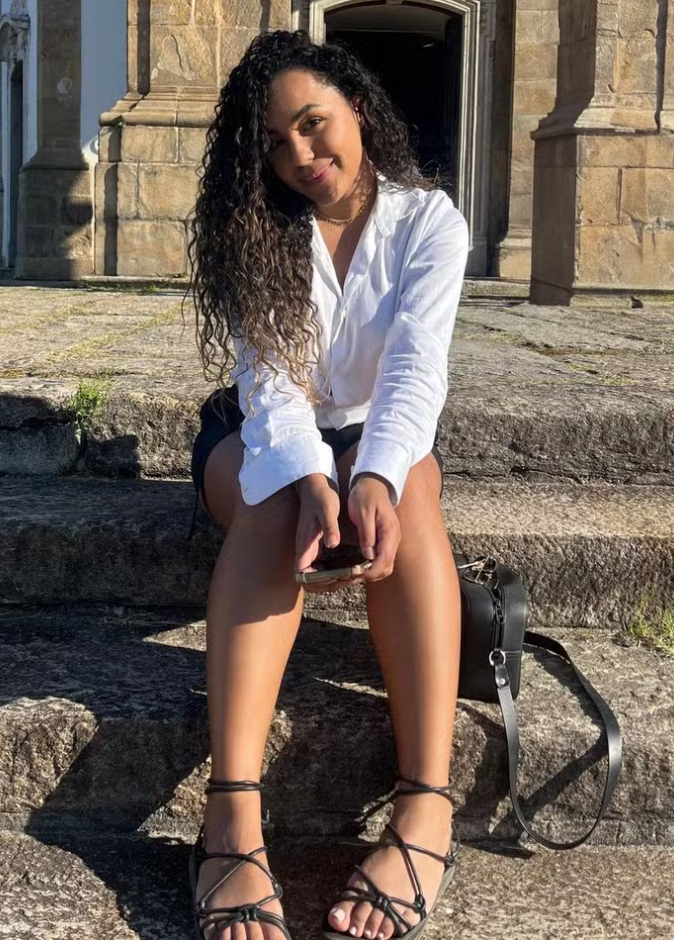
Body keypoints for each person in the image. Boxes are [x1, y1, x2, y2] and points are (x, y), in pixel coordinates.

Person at [187, 30, 469, 940]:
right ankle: (231, 815)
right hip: (257, 437)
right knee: (276, 497)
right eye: (275, 143)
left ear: (359, 110)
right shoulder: (254, 228)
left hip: (379, 438)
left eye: (314, 126)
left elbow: (416, 373)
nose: (301, 157)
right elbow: (268, 384)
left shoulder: (429, 221)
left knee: (412, 480)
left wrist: (375, 477)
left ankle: (426, 806)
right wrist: (313, 478)